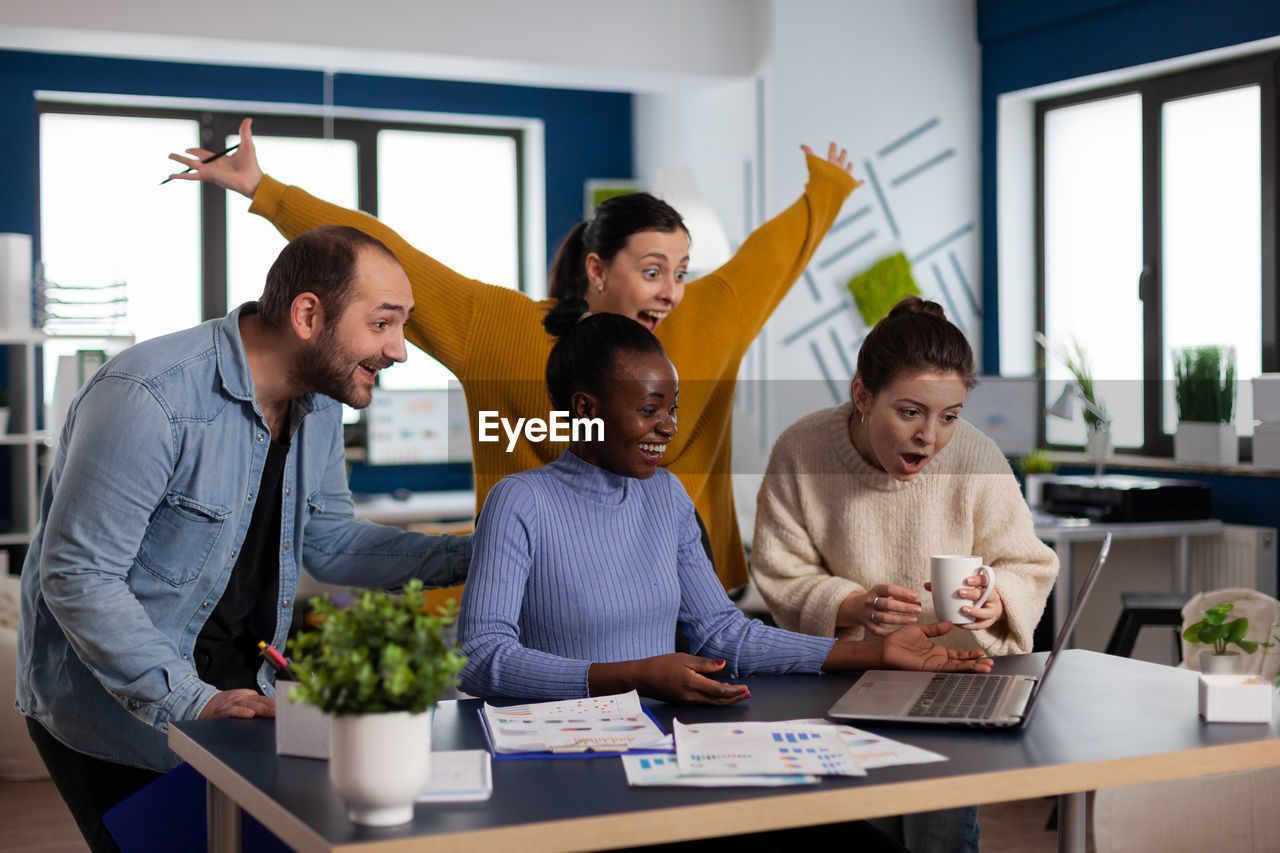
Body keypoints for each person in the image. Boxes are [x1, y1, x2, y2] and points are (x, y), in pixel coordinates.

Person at [167, 117, 862, 592]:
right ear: (596, 270)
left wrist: (824, 192)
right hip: (544, 601)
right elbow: (387, 253)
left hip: (686, 596)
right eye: (652, 270)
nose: (673, 292)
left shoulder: (711, 317)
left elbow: (774, 255)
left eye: (682, 271)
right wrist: (269, 193)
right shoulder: (502, 331)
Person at [15, 226, 472, 853]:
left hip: (239, 686)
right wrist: (191, 700)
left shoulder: (319, 402)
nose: (398, 350)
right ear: (309, 314)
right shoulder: (149, 395)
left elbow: (330, 541)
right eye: (383, 324)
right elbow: (77, 577)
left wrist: (470, 555)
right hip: (120, 704)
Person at [456, 299, 991, 705]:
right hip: (553, 751)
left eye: (674, 407)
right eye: (650, 409)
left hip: (655, 739)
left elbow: (723, 632)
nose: (669, 427)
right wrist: (634, 676)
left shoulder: (666, 497)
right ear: (584, 408)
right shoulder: (520, 502)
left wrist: (872, 652)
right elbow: (481, 660)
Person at [749, 296, 1059, 853]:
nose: (930, 437)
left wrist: (996, 596)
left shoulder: (975, 457)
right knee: (866, 835)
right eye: (910, 412)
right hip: (842, 682)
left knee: (940, 837)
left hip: (949, 683)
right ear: (863, 395)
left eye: (949, 416)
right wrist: (851, 605)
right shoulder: (801, 449)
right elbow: (780, 570)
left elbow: (1026, 562)